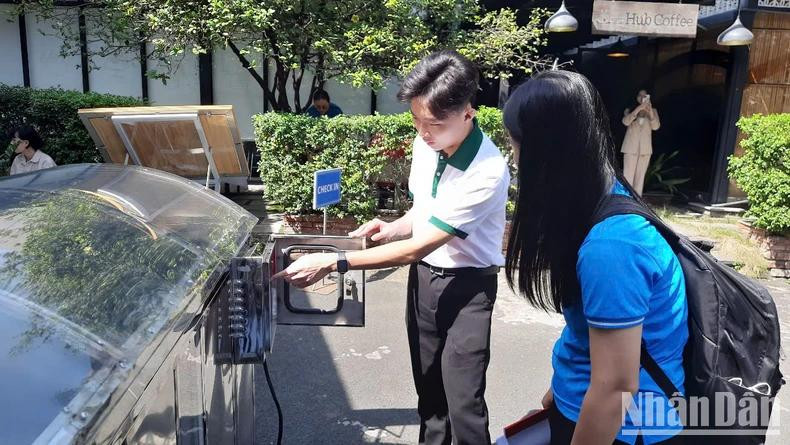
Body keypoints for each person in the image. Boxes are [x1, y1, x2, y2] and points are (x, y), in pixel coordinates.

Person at [273, 50, 509, 445]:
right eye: (416, 119)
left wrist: (335, 261)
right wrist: (395, 226)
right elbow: (426, 210)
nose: (423, 132)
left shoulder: (486, 170)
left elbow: (415, 249)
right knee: (430, 396)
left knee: (464, 404)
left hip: (468, 290)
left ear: (468, 112)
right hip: (424, 282)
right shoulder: (427, 144)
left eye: (434, 123)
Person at [503, 71, 687, 445]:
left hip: (623, 429)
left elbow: (615, 388)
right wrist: (560, 392)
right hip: (584, 407)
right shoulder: (603, 196)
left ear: (545, 153)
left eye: (516, 145)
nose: (513, 157)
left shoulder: (611, 246)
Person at [621, 89, 660, 195]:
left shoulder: (654, 111)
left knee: (640, 177)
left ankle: (637, 201)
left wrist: (650, 111)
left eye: (645, 95)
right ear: (636, 96)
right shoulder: (629, 109)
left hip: (645, 149)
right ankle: (626, 198)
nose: (642, 97)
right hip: (630, 147)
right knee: (628, 175)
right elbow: (625, 122)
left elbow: (656, 127)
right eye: (640, 95)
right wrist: (638, 109)